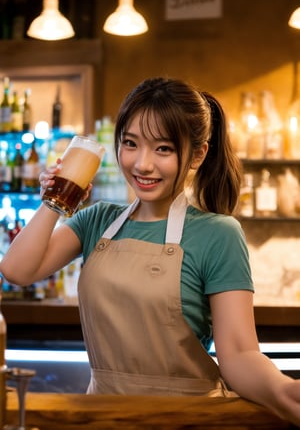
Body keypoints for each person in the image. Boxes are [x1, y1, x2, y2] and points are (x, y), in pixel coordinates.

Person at [1, 77, 300, 426]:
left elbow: (239, 354)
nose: (142, 164)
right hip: (102, 418)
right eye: (130, 143)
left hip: (188, 420)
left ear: (198, 154)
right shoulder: (97, 220)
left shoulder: (218, 234)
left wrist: (281, 390)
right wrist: (55, 200)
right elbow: (17, 270)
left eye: (163, 149)